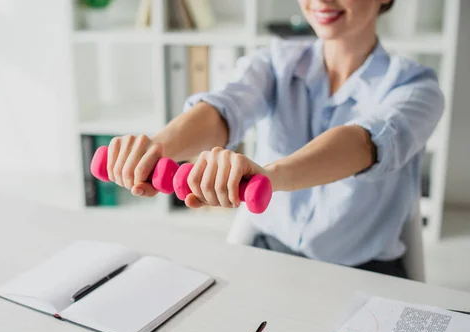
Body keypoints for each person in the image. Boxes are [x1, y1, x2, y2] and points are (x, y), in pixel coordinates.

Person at [103, 0, 444, 278]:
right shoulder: (274, 62)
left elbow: (361, 144)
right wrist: (157, 147)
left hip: (364, 272)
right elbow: (225, 109)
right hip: (268, 255)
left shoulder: (417, 89)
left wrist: (267, 177)